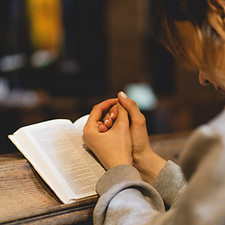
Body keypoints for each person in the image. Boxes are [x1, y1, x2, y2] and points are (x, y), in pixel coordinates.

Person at [82, 0, 225, 224]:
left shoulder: (219, 141)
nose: (202, 77)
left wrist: (119, 170)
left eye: (203, 55)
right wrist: (144, 160)